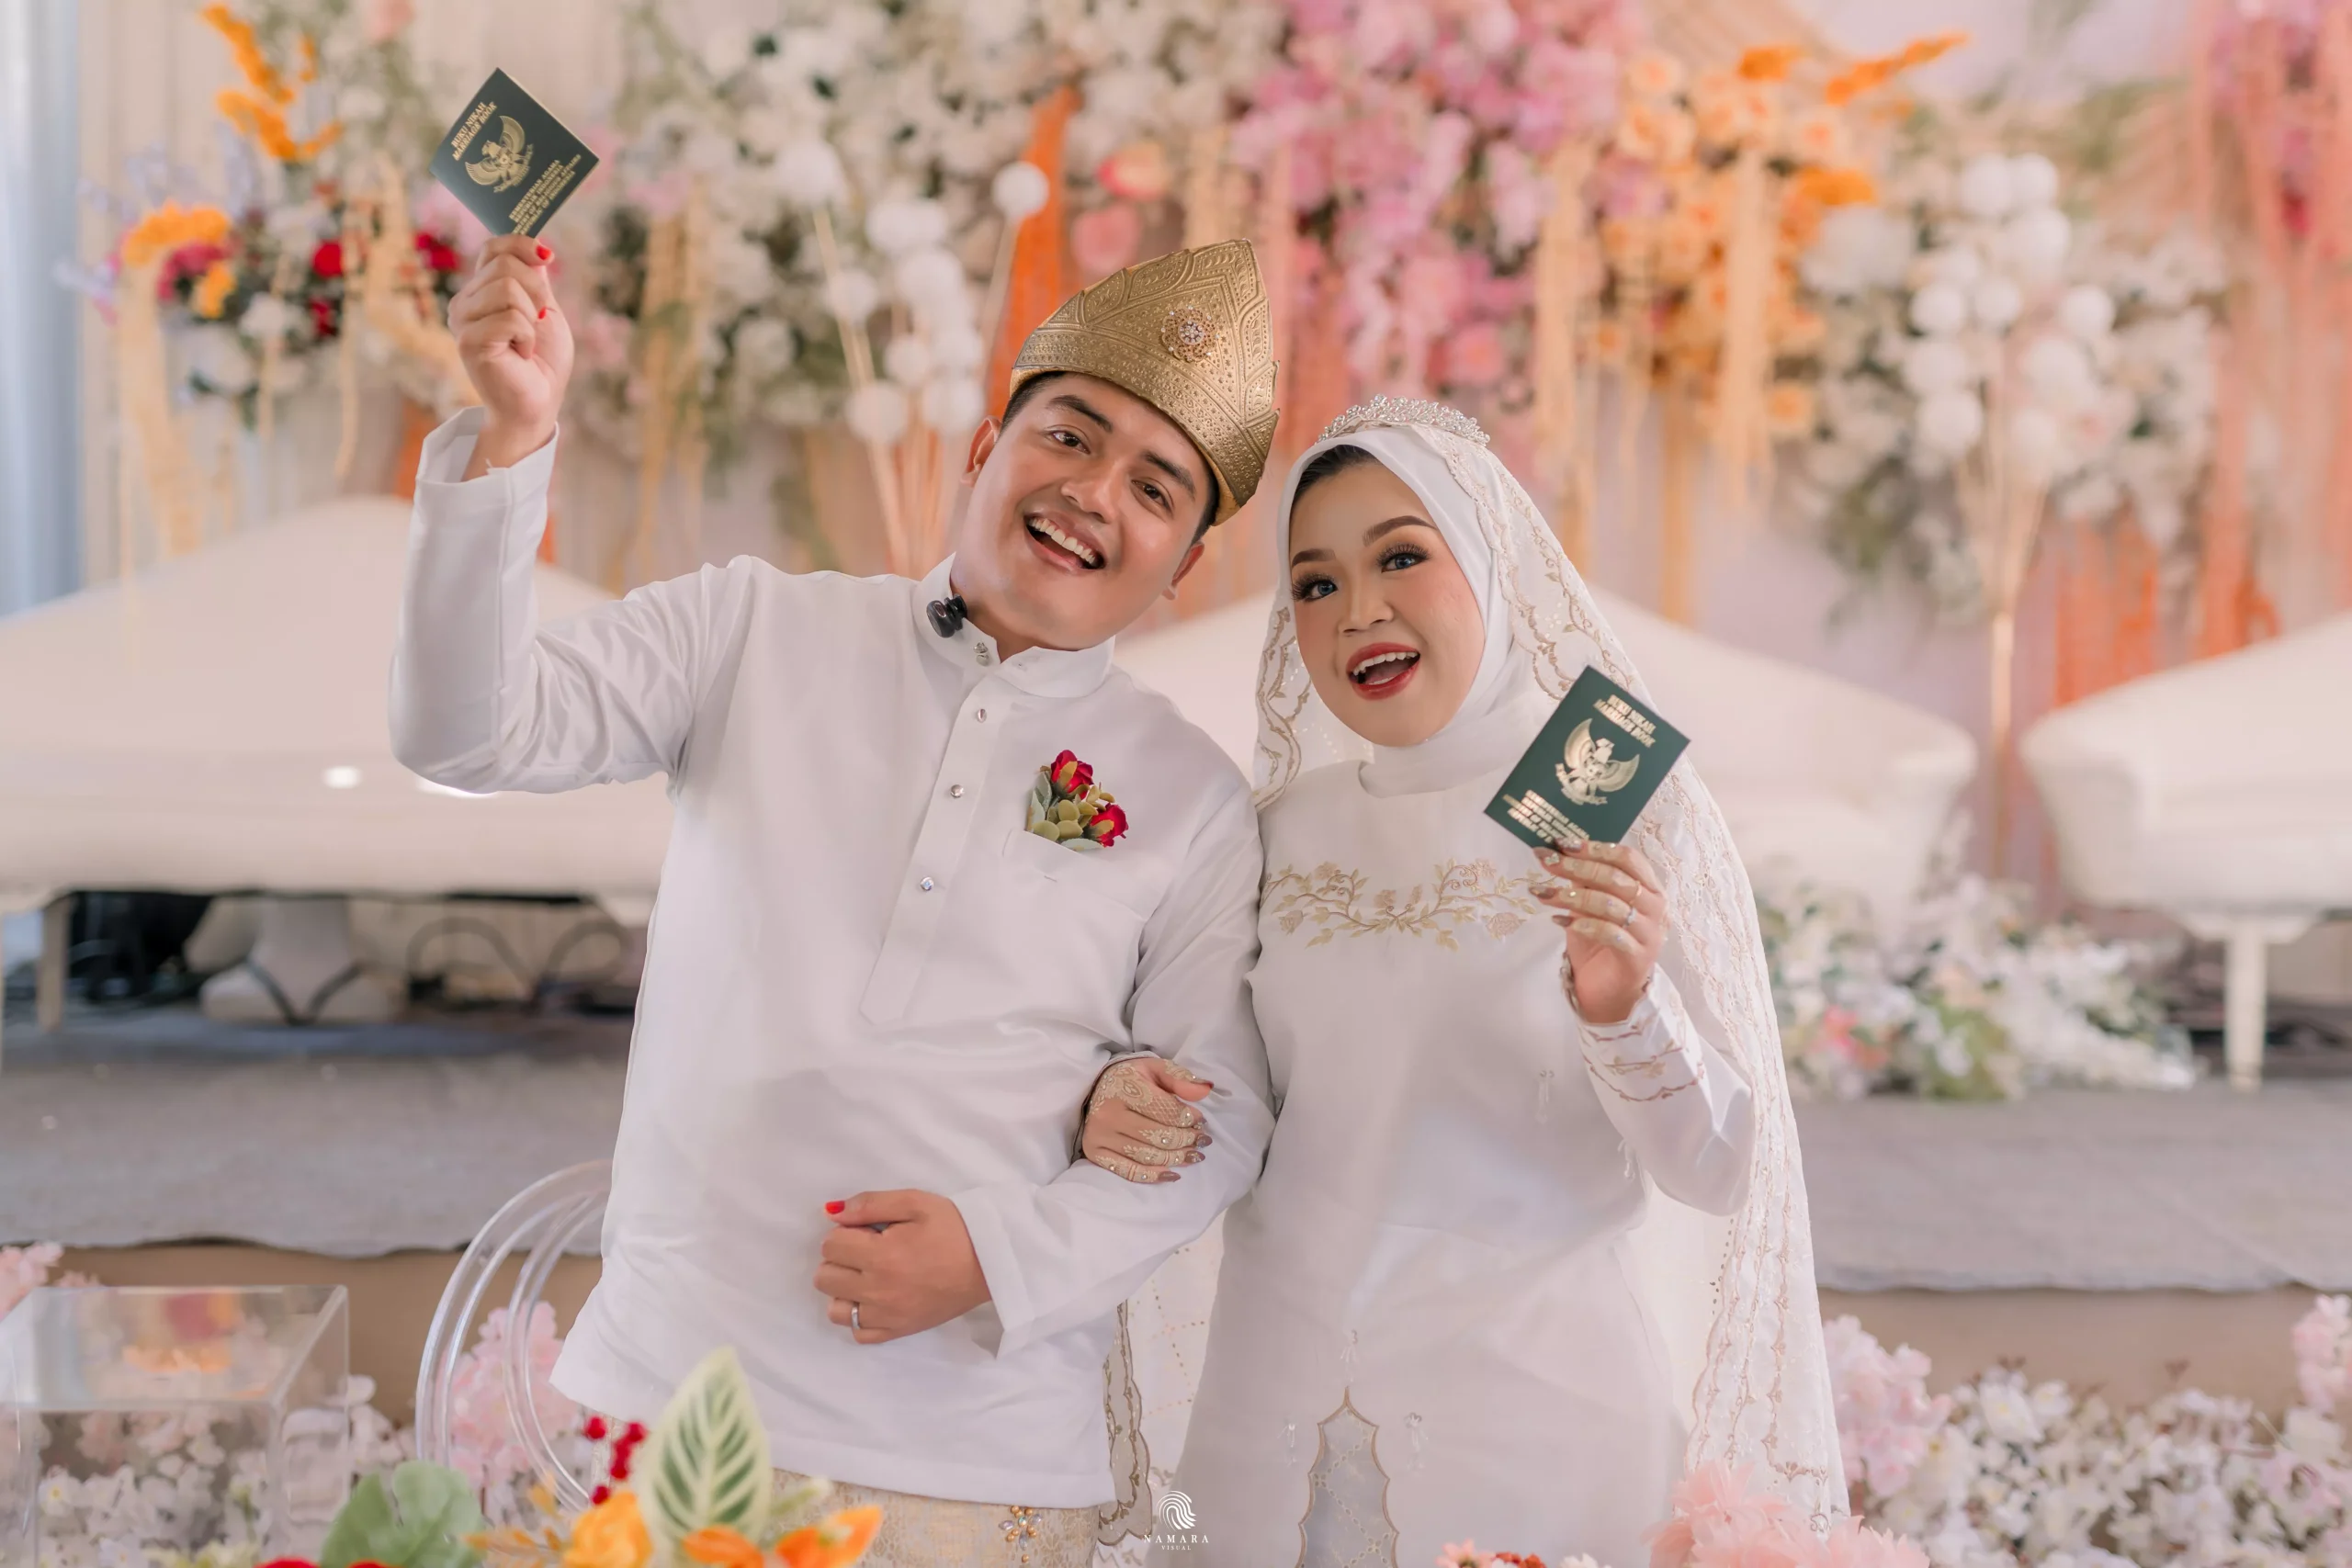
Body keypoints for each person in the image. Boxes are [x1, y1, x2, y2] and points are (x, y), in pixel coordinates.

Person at [390, 234, 1284, 1566]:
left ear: (1182, 568)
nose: (1092, 493)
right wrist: (514, 438)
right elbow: (468, 734)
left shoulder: (1196, 796)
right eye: (1068, 436)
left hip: (979, 1454)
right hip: (670, 1399)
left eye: (1154, 487)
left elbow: (1220, 1120)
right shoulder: (748, 629)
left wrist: (997, 1252)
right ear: (982, 451)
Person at [1080, 398, 1845, 1566]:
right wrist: (1125, 1090)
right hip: (1269, 1408)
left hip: (1533, 1420)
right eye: (1316, 582)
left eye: (1400, 556)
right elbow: (1221, 1091)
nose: (1358, 609)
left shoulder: (1608, 794)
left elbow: (1722, 1169)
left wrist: (1622, 1009)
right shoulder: (1278, 826)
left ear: (1492, 559)